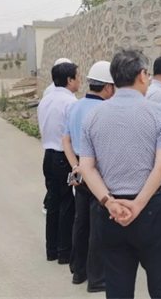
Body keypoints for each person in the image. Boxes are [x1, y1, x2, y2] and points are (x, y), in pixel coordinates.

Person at [78, 48, 161, 299]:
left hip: (110, 213)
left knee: (118, 288)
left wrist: (109, 202)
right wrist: (137, 205)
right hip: (151, 210)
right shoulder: (159, 114)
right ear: (142, 75)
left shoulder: (93, 116)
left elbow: (86, 167)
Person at [62, 61, 115, 292]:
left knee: (81, 221)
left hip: (80, 169)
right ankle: (97, 278)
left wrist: (76, 166)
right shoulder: (105, 111)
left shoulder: (75, 106)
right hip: (98, 172)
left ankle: (78, 271)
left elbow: (66, 140)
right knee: (98, 225)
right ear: (108, 87)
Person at [37, 61, 80, 264]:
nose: (79, 80)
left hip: (48, 156)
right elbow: (73, 136)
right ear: (70, 80)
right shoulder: (71, 103)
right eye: (78, 77)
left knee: (53, 202)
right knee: (67, 204)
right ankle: (64, 252)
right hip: (65, 158)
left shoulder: (45, 100)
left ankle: (51, 250)